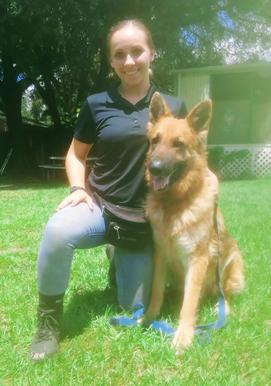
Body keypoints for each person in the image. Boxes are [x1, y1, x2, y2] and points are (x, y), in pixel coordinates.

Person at [29, 18, 188, 361]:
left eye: (137, 51)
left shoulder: (174, 107)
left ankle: (119, 257)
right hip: (99, 207)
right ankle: (47, 324)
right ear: (111, 61)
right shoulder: (96, 104)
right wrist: (76, 187)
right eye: (120, 54)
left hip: (142, 221)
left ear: (152, 53)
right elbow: (76, 154)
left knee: (134, 310)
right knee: (57, 232)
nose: (129, 61)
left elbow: (188, 158)